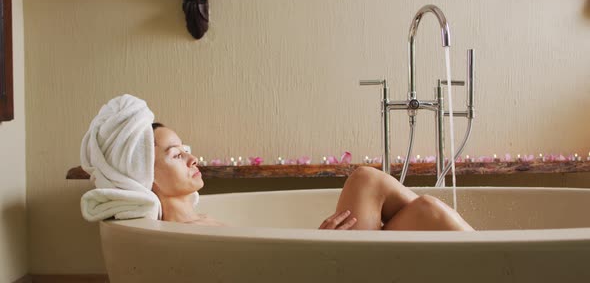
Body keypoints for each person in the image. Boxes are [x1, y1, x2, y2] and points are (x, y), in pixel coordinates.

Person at [151, 122, 474, 231]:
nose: (192, 158)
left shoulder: (200, 221)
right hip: (314, 272)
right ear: (145, 175)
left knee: (425, 211)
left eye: (186, 149)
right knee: (367, 181)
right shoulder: (178, 233)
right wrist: (314, 251)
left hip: (313, 266)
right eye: (176, 155)